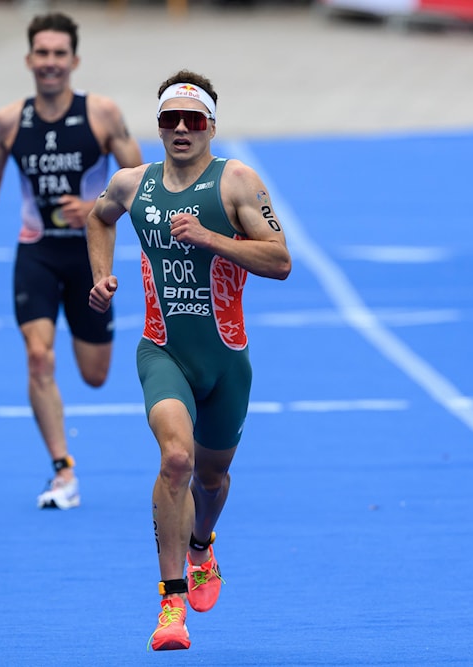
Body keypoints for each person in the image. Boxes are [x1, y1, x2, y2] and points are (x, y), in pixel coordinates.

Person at [86, 69, 292, 650]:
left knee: (212, 477)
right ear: (158, 126)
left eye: (192, 120)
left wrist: (211, 238)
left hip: (226, 361)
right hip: (163, 351)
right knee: (176, 459)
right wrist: (102, 276)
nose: (180, 129)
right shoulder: (132, 184)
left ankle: (203, 542)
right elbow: (96, 218)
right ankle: (171, 604)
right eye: (169, 120)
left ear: (210, 126)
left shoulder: (238, 182)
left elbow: (279, 261)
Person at [0, 12, 142, 509]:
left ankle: (85, 347)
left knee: (94, 375)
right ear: (29, 59)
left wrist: (94, 209)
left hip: (91, 255)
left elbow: (142, 181)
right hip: (37, 251)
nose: (50, 63)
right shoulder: (9, 120)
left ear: (74, 60)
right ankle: (63, 470)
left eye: (58, 54)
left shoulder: (102, 114)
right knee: (39, 356)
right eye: (41, 53)